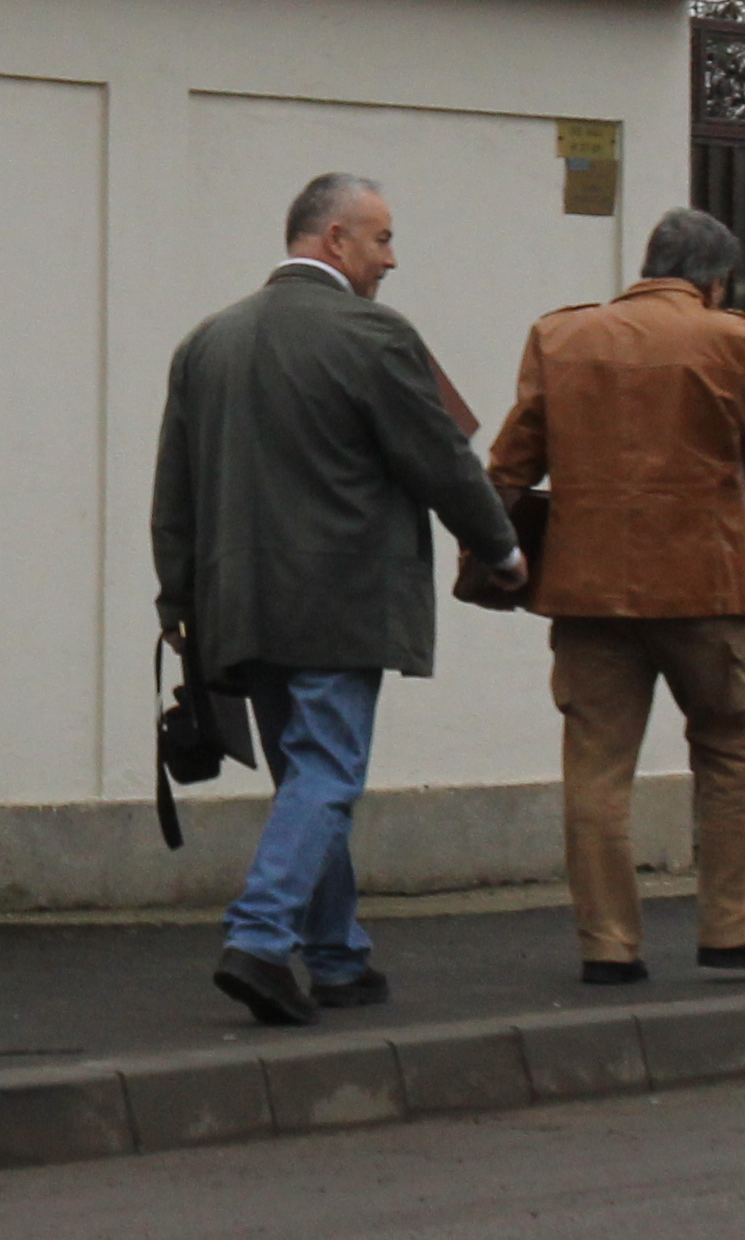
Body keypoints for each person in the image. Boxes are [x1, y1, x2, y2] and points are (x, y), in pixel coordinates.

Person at [151, 173, 522, 1028]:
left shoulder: (207, 342)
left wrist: (179, 601)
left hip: (240, 600)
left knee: (303, 774)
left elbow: (174, 491)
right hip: (341, 596)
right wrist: (500, 545)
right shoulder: (373, 336)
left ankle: (336, 955)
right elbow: (439, 459)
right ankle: (258, 936)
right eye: (381, 239)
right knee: (327, 770)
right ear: (332, 240)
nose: (391, 260)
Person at [484, 202, 745, 987]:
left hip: (589, 593)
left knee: (597, 768)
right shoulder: (729, 338)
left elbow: (510, 463)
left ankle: (608, 946)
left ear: (648, 262)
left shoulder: (561, 337)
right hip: (707, 590)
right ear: (715, 278)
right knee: (731, 748)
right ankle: (731, 928)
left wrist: (493, 550)